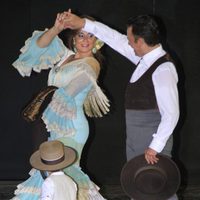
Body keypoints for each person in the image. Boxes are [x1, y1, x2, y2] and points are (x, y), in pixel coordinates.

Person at [63, 12, 180, 200]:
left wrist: (154, 147)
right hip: (137, 138)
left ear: (140, 41)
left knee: (158, 189)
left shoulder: (163, 69)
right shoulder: (145, 58)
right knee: (139, 188)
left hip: (151, 140)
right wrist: (84, 23)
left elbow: (171, 114)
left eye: (131, 40)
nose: (128, 43)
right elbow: (115, 39)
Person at [12, 11, 110, 200]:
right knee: (50, 174)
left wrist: (47, 105)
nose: (86, 40)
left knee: (63, 174)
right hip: (53, 123)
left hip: (72, 127)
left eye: (91, 35)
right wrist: (56, 28)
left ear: (97, 40)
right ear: (74, 37)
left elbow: (69, 91)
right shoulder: (66, 56)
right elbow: (39, 46)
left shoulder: (92, 63)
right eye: (81, 34)